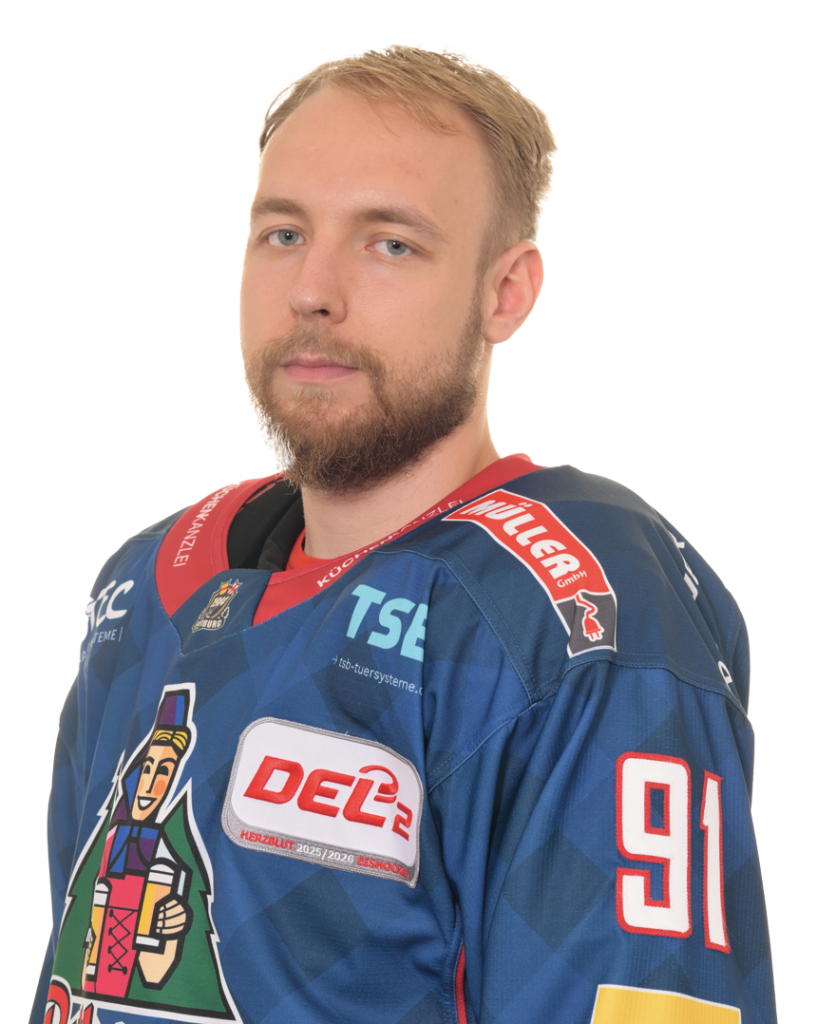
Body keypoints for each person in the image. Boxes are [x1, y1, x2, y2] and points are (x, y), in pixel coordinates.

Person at [33, 42, 775, 1024]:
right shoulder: (144, 587)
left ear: (506, 291)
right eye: (283, 233)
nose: (313, 290)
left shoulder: (572, 611)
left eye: (389, 244)